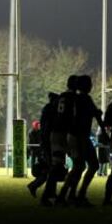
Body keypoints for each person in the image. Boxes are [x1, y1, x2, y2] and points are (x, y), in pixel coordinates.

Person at [59, 75, 103, 207]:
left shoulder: (76, 98)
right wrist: (104, 131)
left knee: (84, 166)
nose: (91, 86)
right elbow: (96, 115)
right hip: (79, 136)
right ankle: (72, 196)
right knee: (84, 166)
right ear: (85, 86)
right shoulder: (85, 99)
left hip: (77, 136)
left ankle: (72, 195)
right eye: (89, 83)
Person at [41, 76, 76, 206]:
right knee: (59, 166)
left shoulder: (61, 97)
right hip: (62, 133)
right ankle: (50, 196)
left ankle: (52, 195)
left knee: (58, 165)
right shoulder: (73, 98)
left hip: (56, 133)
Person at [27, 96, 53, 198]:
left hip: (45, 148)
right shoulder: (44, 127)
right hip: (46, 149)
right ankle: (39, 188)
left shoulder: (45, 115)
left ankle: (38, 187)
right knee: (51, 170)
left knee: (50, 171)